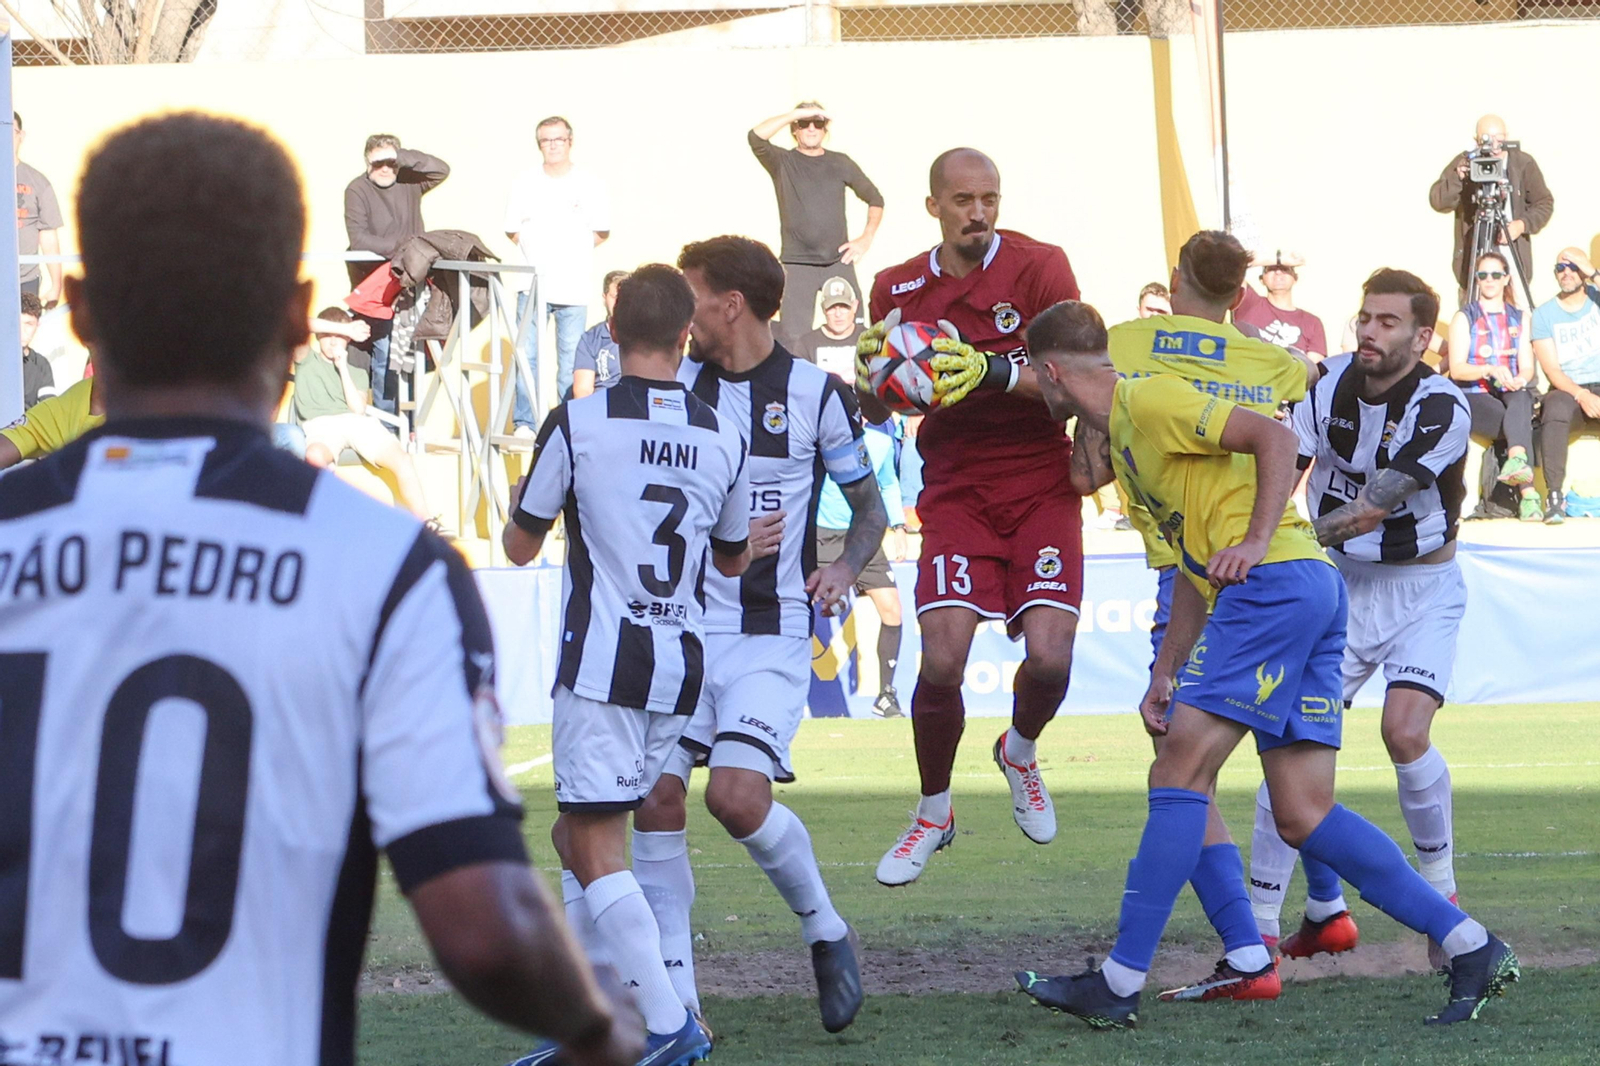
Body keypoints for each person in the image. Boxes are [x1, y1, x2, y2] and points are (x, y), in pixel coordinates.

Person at [0, 110, 641, 1066]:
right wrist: (595, 1023)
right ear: (302, 319)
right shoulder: (387, 569)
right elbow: (480, 922)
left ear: (82, 312)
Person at [1016, 299, 1519, 1030]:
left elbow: (1275, 438)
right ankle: (1471, 944)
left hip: (1274, 587)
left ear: (1049, 372)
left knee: (1178, 773)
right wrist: (1168, 671)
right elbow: (1193, 566)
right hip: (1311, 587)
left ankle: (1120, 981)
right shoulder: (1125, 434)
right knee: (1303, 812)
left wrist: (1254, 540)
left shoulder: (1146, 398)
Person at [634, 235, 884, 1036]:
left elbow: (870, 505)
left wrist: (843, 569)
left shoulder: (815, 393)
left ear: (729, 304)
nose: (682, 313)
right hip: (681, 634)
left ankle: (825, 929)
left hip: (768, 633)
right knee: (654, 797)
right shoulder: (672, 388)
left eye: (691, 296)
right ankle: (680, 1010)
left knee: (736, 798)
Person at [503, 264, 752, 1066]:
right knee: (578, 836)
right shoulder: (724, 428)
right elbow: (734, 557)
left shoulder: (578, 422)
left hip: (605, 660)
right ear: (688, 335)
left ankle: (673, 1027)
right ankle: (586, 1022)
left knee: (593, 845)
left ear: (611, 334)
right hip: (679, 660)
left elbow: (518, 544)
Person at [858, 148, 1086, 885]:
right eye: (963, 199)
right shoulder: (896, 286)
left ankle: (1018, 749)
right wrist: (872, 376)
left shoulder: (1042, 268)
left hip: (1040, 481)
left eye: (990, 197)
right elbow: (882, 406)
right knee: (945, 659)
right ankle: (933, 812)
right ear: (933, 206)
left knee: (1050, 657)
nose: (979, 212)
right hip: (955, 486)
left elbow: (1081, 384)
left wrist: (992, 370)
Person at [1104, 229, 1317, 1004]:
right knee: (1287, 754)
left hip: (1198, 565)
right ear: (1241, 294)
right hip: (1280, 560)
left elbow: (1073, 381)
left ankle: (1233, 948)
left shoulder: (1128, 342)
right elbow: (1296, 426)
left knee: (1180, 771)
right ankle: (1324, 909)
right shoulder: (1276, 360)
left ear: (1173, 279)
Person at [1253, 269, 1473, 972]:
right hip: (1339, 587)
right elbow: (1283, 455)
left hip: (1422, 587)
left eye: (1386, 321)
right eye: (1365, 318)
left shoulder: (1442, 407)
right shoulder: (1331, 382)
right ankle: (1262, 930)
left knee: (1403, 732)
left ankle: (1444, 905)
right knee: (1288, 748)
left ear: (1422, 335)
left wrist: (1267, 544)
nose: (1369, 332)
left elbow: (1374, 506)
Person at [749, 103, 884, 351]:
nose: (811, 128)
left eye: (818, 123)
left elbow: (875, 199)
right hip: (797, 264)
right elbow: (756, 136)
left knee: (857, 336)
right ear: (794, 129)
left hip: (838, 261)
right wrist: (795, 114)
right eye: (804, 123)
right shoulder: (783, 162)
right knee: (793, 339)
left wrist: (866, 238)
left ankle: (855, 389)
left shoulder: (840, 162)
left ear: (825, 129)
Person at [506, 116, 612, 427]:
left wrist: (571, 254)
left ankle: (567, 424)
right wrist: (539, 254)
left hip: (573, 286)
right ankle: (526, 423)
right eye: (545, 140)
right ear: (539, 145)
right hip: (531, 285)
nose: (552, 145)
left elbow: (602, 231)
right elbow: (512, 229)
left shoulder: (589, 183)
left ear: (570, 141)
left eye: (558, 139)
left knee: (571, 362)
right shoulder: (524, 182)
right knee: (527, 357)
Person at [343, 133, 450, 415]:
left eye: (391, 162)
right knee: (385, 357)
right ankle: (387, 427)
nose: (386, 168)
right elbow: (359, 240)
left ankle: (410, 428)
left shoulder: (408, 181)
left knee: (412, 356)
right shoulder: (356, 189)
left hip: (413, 283)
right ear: (367, 162)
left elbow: (441, 169)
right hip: (377, 286)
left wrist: (400, 157)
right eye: (378, 163)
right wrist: (403, 248)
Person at [293, 307, 433, 522]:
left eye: (340, 337)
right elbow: (298, 322)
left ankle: (426, 523)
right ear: (318, 338)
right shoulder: (307, 359)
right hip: (319, 425)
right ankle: (327, 520)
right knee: (314, 456)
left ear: (348, 340)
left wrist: (342, 368)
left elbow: (358, 409)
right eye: (327, 336)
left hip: (355, 422)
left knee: (402, 459)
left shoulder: (356, 372)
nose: (333, 342)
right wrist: (344, 327)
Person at [816, 410, 909, 718]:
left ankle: (886, 696)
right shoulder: (821, 440)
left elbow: (888, 483)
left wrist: (898, 526)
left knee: (892, 610)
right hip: (822, 533)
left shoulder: (880, 443)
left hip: (863, 535)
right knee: (806, 605)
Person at [1446, 251, 1540, 521]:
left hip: (1508, 391)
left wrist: (1520, 378)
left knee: (1521, 398)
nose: (1489, 280)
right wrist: (1488, 369)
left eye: (1495, 275)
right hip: (1473, 393)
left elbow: (1527, 367)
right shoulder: (1465, 317)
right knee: (1519, 421)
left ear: (1506, 278)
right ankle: (1529, 496)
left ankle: (1519, 467)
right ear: (1476, 279)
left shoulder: (1519, 317)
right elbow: (1458, 369)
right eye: (1483, 275)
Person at [1429, 115, 1553, 305]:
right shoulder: (1465, 162)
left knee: (1518, 318)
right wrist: (1458, 177)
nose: (1494, 147)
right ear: (1476, 140)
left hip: (1512, 258)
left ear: (1507, 137)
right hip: (1473, 259)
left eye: (1500, 140)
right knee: (1473, 322)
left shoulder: (1523, 163)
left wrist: (1520, 225)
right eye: (1487, 140)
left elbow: (1544, 202)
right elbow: (1438, 201)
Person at [1532, 246, 1600, 524]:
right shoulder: (1544, 314)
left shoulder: (1596, 298)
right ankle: (1555, 496)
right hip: (1570, 389)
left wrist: (1593, 272)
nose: (1567, 272)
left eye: (1573, 267)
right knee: (1556, 406)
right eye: (1561, 268)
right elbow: (1553, 371)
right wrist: (1581, 394)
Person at [1233, 249, 1329, 360]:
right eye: (1271, 268)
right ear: (1261, 279)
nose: (1278, 272)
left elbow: (1313, 368)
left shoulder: (1312, 322)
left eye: (1285, 268)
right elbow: (1229, 264)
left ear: (1295, 278)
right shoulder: (1249, 303)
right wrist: (1279, 259)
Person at [13, 111, 63, 305]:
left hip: (25, 280)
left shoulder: (38, 182)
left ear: (21, 136)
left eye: (10, 132)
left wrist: (56, 286)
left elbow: (48, 235)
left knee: (23, 333)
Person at [794, 275, 866, 380]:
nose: (838, 314)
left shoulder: (868, 339)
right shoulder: (806, 344)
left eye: (844, 307)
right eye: (831, 308)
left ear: (854, 306)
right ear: (823, 309)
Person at [572, 270, 628, 398]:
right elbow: (582, 391)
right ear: (604, 298)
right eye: (614, 297)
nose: (619, 303)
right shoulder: (590, 339)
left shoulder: (644, 335)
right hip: (601, 405)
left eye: (624, 297)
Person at [19, 290, 55, 407]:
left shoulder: (41, 365)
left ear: (37, 324)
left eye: (28, 324)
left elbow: (49, 408)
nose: (21, 331)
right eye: (17, 324)